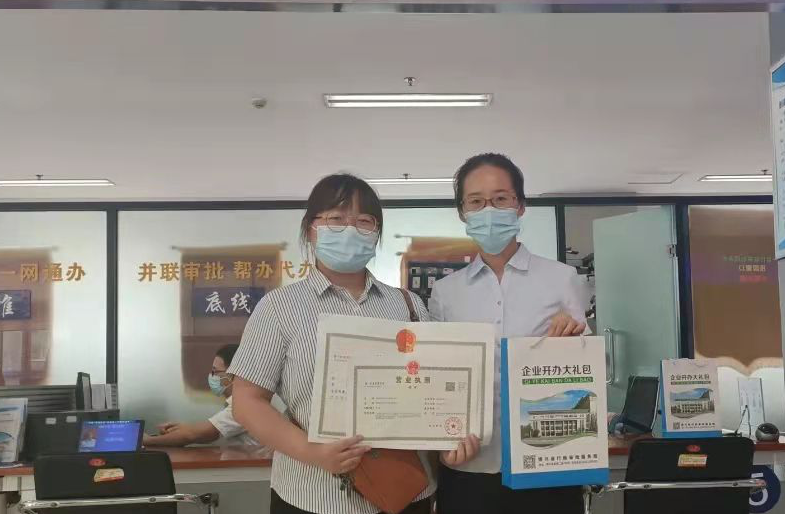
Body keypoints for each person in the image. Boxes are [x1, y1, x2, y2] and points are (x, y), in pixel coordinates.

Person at [229, 174, 479, 515]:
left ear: (376, 233)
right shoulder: (279, 307)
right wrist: (313, 452)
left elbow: (432, 390)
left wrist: (448, 441)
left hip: (405, 491)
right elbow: (247, 402)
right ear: (310, 230)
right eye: (336, 218)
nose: (350, 229)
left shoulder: (407, 305)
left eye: (364, 221)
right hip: (313, 495)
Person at [430, 153, 589, 515]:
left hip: (548, 462)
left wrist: (575, 341)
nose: (488, 209)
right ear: (462, 212)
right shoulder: (445, 292)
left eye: (500, 198)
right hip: (470, 466)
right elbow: (437, 378)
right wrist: (440, 442)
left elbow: (586, 367)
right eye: (475, 201)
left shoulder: (561, 278)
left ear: (520, 206)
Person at [144, 344, 261, 447]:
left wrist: (148, 440)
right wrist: (181, 428)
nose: (212, 376)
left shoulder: (245, 406)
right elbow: (204, 429)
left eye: (215, 371)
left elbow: (197, 435)